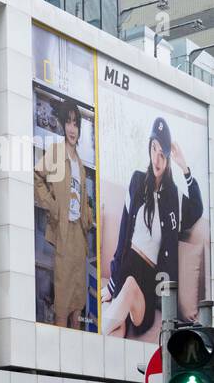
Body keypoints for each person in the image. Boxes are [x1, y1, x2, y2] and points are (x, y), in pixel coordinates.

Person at [104, 116, 203, 337]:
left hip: (148, 280)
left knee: (129, 288)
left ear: (167, 158)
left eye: (162, 154)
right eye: (153, 149)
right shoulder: (137, 182)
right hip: (128, 264)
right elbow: (123, 234)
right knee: (116, 330)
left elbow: (197, 208)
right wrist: (112, 284)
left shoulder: (174, 198)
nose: (156, 159)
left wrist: (185, 167)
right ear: (149, 148)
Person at [34, 100, 94, 328]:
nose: (72, 128)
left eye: (75, 123)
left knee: (77, 306)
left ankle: (77, 359)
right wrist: (52, 204)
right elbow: (37, 176)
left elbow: (82, 194)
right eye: (68, 122)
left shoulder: (80, 162)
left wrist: (87, 217)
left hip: (79, 234)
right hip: (63, 232)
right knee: (62, 302)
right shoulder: (56, 152)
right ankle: (59, 360)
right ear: (62, 125)